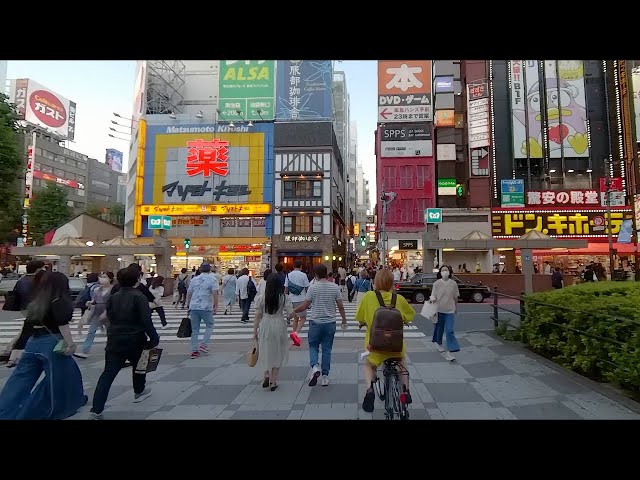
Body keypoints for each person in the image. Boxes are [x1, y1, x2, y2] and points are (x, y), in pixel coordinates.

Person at [0, 272, 87, 419]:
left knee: (20, 379)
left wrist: (16, 348)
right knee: (58, 380)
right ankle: (38, 411)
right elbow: (62, 324)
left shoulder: (36, 301)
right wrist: (70, 344)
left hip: (33, 344)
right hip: (52, 344)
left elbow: (27, 326)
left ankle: (5, 409)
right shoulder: (59, 300)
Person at [89, 266, 159, 419]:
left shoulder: (114, 297)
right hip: (135, 338)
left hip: (115, 338)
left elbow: (110, 317)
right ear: (137, 280)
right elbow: (146, 320)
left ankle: (96, 408)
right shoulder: (139, 296)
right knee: (138, 366)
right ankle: (139, 391)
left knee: (108, 373)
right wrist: (154, 337)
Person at [355, 268, 415, 413]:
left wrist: (364, 321)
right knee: (401, 362)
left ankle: (370, 389)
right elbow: (410, 315)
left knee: (369, 365)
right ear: (391, 282)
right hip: (395, 347)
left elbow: (359, 317)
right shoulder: (398, 299)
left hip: (374, 347)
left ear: (376, 281)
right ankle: (405, 390)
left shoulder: (369, 297)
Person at [289, 264, 347, 387]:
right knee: (327, 350)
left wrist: (293, 312)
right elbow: (340, 306)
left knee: (313, 346)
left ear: (315, 275)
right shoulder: (335, 287)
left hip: (315, 322)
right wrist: (344, 319)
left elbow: (305, 306)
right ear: (326, 274)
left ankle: (315, 367)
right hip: (330, 323)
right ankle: (325, 377)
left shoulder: (313, 288)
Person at [253, 273, 295, 391]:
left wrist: (254, 331)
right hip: (279, 323)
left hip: (265, 324)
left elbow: (257, 316)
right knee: (278, 351)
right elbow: (291, 314)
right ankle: (273, 381)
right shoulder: (284, 297)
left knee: (266, 349)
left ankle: (266, 374)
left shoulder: (261, 298)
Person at [73, 272, 112, 359]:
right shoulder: (98, 289)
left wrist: (106, 312)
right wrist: (90, 303)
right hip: (97, 312)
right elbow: (94, 299)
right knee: (91, 331)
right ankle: (85, 351)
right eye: (101, 277)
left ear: (110, 279)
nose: (102, 279)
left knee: (110, 332)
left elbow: (111, 302)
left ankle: (112, 349)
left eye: (105, 277)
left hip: (108, 313)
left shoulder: (112, 290)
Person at [186, 262, 219, 359]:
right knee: (210, 325)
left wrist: (188, 305)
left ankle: (194, 350)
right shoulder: (213, 279)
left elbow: (189, 293)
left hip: (194, 306)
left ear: (200, 269)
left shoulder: (194, 279)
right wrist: (216, 306)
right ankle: (204, 344)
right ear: (209, 269)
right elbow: (215, 293)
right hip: (206, 306)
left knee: (195, 329)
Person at [430, 265, 461, 362]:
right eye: (443, 270)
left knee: (450, 330)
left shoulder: (453, 284)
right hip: (439, 310)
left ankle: (450, 352)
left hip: (450, 310)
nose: (444, 272)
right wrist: (433, 299)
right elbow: (433, 295)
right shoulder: (436, 284)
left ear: (450, 272)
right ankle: (439, 343)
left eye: (446, 270)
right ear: (440, 272)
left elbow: (456, 297)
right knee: (439, 329)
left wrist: (456, 307)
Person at [285, 261, 309, 346]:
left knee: (295, 318)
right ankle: (295, 333)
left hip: (291, 299)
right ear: (301, 266)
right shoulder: (303, 275)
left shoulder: (288, 275)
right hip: (301, 299)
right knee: (303, 318)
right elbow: (307, 288)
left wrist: (286, 299)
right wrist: (309, 299)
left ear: (293, 266)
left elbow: (286, 289)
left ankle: (294, 338)